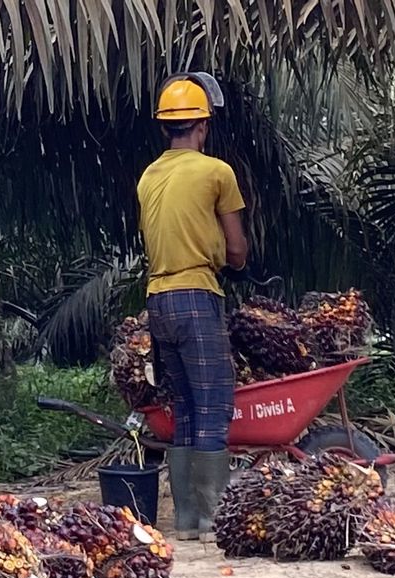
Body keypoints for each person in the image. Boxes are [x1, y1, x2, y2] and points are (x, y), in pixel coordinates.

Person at [136, 73, 250, 542]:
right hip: (195, 295)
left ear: (167, 127)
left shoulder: (148, 176)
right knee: (214, 403)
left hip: (157, 300)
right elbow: (238, 249)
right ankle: (210, 519)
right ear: (201, 125)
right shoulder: (216, 172)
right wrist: (232, 258)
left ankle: (184, 522)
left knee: (183, 406)